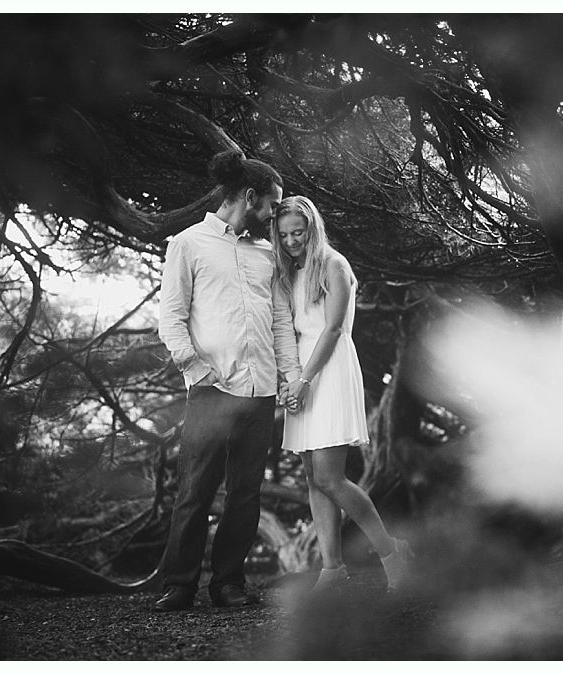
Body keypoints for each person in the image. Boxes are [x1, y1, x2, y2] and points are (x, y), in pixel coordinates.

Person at [154, 150, 301, 612]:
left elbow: (280, 321)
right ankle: (178, 584)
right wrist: (195, 370)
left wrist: (288, 375)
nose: (276, 217)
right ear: (250, 197)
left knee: (245, 492)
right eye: (272, 207)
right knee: (195, 490)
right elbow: (171, 319)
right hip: (210, 390)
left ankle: (228, 584)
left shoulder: (266, 256)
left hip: (259, 392)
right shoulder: (188, 244)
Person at [271, 195, 413, 593]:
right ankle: (332, 570)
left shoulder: (334, 264)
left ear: (313, 228)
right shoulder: (292, 273)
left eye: (298, 232)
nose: (291, 241)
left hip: (329, 371)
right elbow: (291, 331)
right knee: (313, 479)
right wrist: (291, 377)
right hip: (302, 370)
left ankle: (390, 552)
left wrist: (304, 380)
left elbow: (333, 330)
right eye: (283, 235)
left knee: (331, 478)